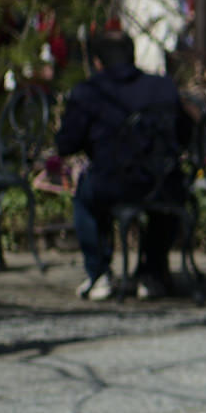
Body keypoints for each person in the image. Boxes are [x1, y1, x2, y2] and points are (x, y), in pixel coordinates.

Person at [54, 30, 190, 302]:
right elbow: (184, 134)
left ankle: (99, 274)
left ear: (97, 62)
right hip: (159, 182)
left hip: (110, 182)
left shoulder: (89, 91)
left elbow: (67, 144)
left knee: (85, 198)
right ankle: (152, 272)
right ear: (133, 55)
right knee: (170, 197)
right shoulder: (162, 87)